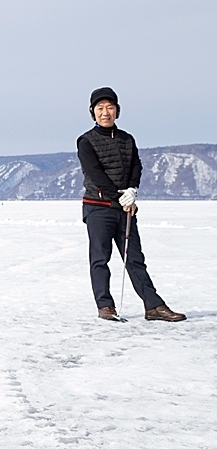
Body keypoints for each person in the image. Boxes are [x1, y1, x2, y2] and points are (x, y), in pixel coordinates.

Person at [77, 87, 184, 322]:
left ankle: (153, 306)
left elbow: (136, 165)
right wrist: (119, 198)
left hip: (125, 208)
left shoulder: (127, 139)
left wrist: (132, 191)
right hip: (98, 207)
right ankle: (105, 305)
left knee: (135, 258)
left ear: (117, 111)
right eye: (100, 108)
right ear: (93, 112)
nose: (106, 112)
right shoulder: (86, 142)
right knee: (100, 258)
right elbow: (96, 175)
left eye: (110, 107)